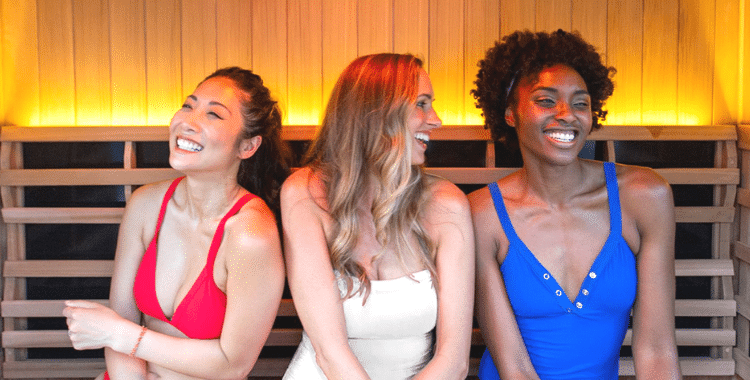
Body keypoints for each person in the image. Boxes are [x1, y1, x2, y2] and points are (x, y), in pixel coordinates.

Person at [470, 30, 682, 379]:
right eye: (546, 100)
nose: (567, 114)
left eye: (581, 103)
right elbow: (514, 368)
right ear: (510, 114)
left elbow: (656, 350)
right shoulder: (483, 214)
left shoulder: (644, 197)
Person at [63, 67, 290, 380]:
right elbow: (121, 318)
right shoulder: (145, 205)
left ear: (247, 146)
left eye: (213, 115)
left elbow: (232, 364)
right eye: (188, 105)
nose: (188, 121)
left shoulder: (250, 235)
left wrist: (121, 335)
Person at [281, 53, 475, 380]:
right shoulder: (305, 193)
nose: (436, 119)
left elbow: (453, 361)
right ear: (378, 113)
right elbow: (330, 353)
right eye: (422, 104)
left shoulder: (447, 205)